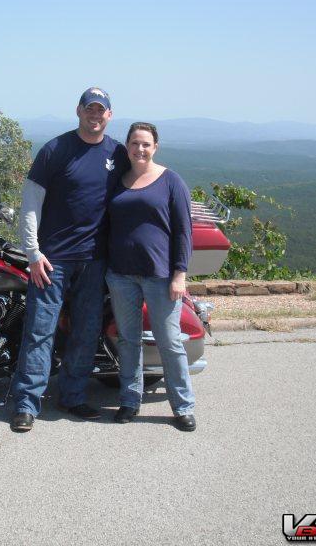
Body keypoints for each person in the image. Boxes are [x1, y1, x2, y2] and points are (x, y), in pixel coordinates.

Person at [9, 87, 129, 432]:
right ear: (78, 111)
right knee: (39, 331)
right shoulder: (55, 150)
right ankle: (26, 404)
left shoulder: (117, 153)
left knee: (85, 333)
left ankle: (72, 396)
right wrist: (33, 252)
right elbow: (31, 203)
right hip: (52, 261)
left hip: (95, 261)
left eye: (101, 110)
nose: (95, 114)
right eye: (89, 108)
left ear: (109, 115)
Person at [105, 122, 196, 431]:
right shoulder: (118, 180)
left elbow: (184, 232)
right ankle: (130, 402)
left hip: (160, 275)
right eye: (135, 143)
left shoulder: (171, 181)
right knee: (128, 341)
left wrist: (179, 275)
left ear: (155, 147)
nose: (140, 149)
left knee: (169, 341)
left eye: (146, 144)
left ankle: (182, 406)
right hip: (120, 275)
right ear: (127, 147)